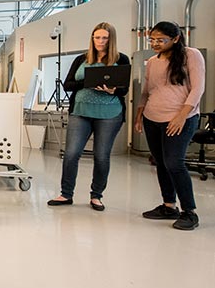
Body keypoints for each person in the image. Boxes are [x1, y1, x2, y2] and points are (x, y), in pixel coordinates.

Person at [47, 22, 130, 211]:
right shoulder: (81, 59)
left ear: (111, 39)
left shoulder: (121, 58)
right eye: (97, 37)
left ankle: (96, 196)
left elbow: (124, 89)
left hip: (109, 114)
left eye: (105, 38)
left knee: (101, 156)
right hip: (81, 112)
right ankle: (66, 194)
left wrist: (112, 90)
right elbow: (67, 85)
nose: (100, 41)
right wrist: (89, 82)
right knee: (71, 154)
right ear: (92, 38)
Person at [134, 21, 205, 230]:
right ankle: (168, 205)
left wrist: (182, 115)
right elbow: (147, 90)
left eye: (160, 40)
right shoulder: (153, 61)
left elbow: (198, 88)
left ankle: (189, 212)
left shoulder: (191, 55)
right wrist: (139, 114)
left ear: (175, 39)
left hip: (180, 118)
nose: (155, 44)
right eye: (152, 40)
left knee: (174, 163)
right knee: (161, 162)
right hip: (152, 118)